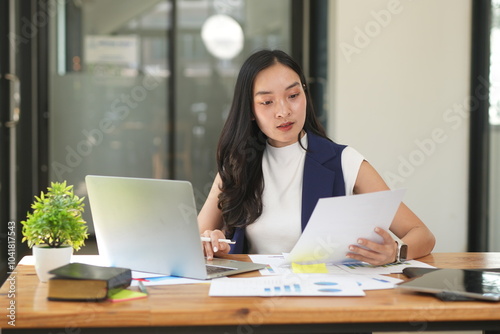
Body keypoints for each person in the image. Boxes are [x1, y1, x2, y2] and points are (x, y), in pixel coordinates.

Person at [198, 49, 435, 265]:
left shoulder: (343, 160)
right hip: (255, 297)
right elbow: (196, 239)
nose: (284, 111)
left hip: (324, 296)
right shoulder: (238, 165)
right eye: (267, 102)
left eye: (293, 95)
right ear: (250, 110)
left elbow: (422, 234)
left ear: (305, 95)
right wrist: (212, 241)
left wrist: (396, 251)